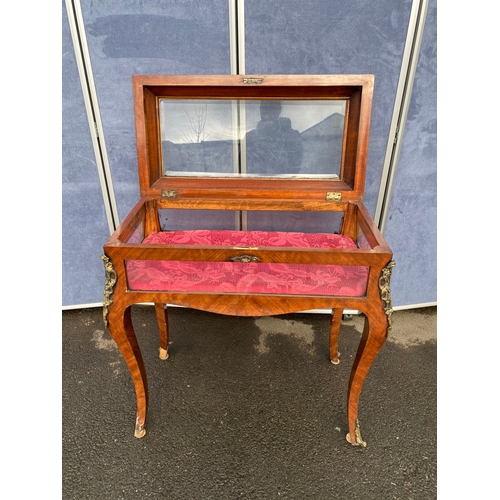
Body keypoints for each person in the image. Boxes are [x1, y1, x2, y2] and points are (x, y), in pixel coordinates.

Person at [245, 100, 303, 175]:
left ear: (279, 110)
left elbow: (295, 167)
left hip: (284, 183)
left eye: (272, 108)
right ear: (260, 109)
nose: (268, 113)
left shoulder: (292, 137)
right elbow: (245, 169)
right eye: (265, 108)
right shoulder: (250, 138)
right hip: (256, 183)